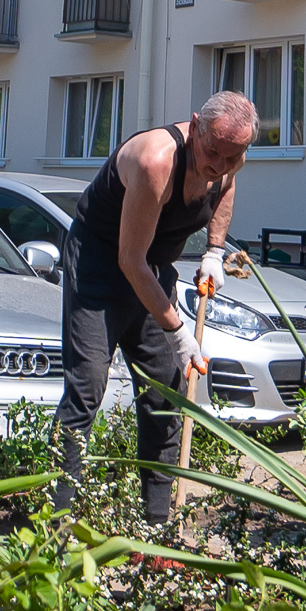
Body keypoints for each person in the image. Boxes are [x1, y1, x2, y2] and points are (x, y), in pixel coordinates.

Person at [55, 91, 257, 526]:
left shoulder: (228, 159)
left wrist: (214, 252)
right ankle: (57, 522)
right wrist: (177, 331)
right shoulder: (156, 160)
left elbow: (226, 188)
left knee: (163, 389)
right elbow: (130, 260)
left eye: (232, 156)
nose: (218, 165)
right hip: (101, 267)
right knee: (87, 387)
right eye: (212, 151)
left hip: (152, 269)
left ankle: (157, 523)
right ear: (194, 125)